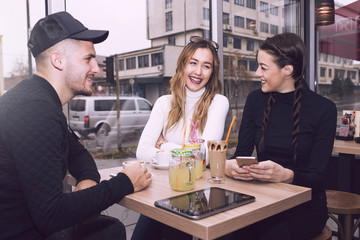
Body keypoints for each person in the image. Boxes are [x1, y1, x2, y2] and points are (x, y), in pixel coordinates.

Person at [0, 11, 152, 240]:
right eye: (88, 59)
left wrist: (87, 181)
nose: (96, 69)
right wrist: (125, 183)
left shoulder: (41, 101)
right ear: (58, 60)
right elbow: (51, 214)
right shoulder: (35, 111)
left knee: (111, 229)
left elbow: (79, 155)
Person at [225, 32, 337, 240]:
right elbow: (241, 154)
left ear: (287, 70)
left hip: (305, 205)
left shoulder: (324, 109)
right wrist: (230, 166)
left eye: (263, 67)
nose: (257, 73)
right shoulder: (254, 101)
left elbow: (318, 176)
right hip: (261, 200)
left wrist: (287, 175)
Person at [132, 36, 229, 240]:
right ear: (182, 65)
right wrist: (187, 151)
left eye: (206, 66)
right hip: (162, 190)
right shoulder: (163, 102)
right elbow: (142, 150)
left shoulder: (218, 102)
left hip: (196, 194)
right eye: (193, 63)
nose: (198, 72)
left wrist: (164, 145)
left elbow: (204, 157)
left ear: (212, 72)